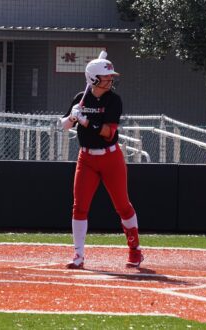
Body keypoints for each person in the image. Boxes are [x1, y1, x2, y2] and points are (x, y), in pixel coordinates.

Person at [60, 56, 143, 269]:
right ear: (93, 79)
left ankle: (135, 250)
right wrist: (72, 117)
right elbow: (64, 126)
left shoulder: (114, 100)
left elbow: (108, 133)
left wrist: (86, 121)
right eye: (106, 78)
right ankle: (78, 255)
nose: (110, 81)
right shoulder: (81, 98)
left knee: (122, 205)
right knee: (79, 207)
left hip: (110, 157)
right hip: (86, 158)